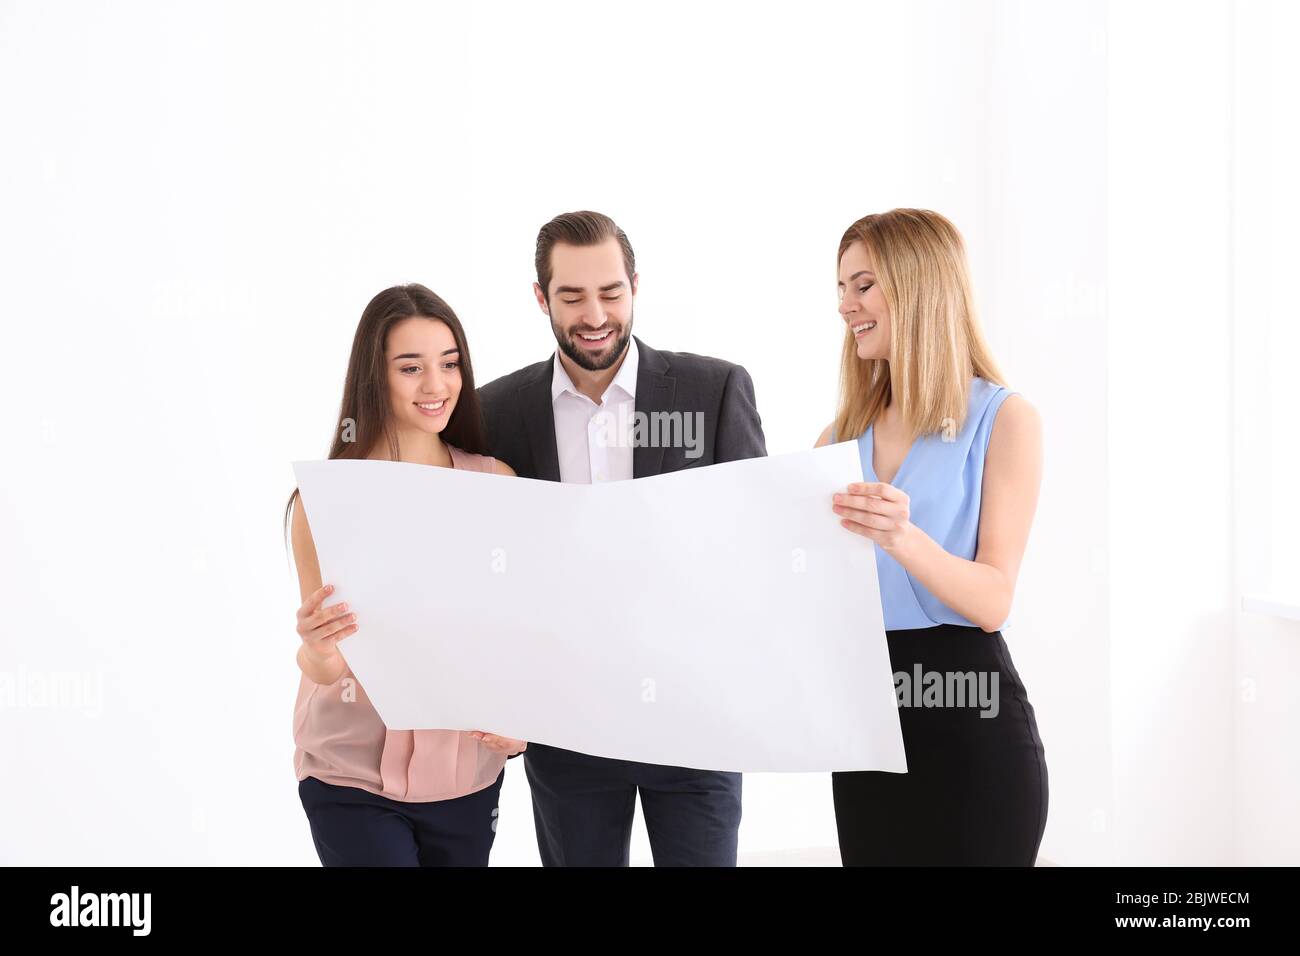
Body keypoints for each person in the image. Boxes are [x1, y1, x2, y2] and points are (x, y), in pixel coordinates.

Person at [478, 210, 767, 866]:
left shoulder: (713, 391)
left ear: (635, 285)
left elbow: (758, 549)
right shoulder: (497, 413)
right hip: (566, 726)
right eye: (572, 296)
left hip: (696, 723)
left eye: (611, 293)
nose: (594, 314)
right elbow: (487, 574)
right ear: (540, 298)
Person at [818, 209, 1049, 866]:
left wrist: (902, 536)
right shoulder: (836, 441)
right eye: (840, 289)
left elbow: (993, 599)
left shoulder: (1004, 420)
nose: (846, 306)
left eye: (862, 285)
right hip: (870, 730)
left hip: (971, 721)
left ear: (916, 285)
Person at [286, 283, 526, 866]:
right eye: (411, 367)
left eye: (449, 364)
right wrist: (315, 645)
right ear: (375, 377)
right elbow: (327, 663)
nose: (436, 385)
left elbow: (516, 638)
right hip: (349, 774)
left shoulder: (498, 486)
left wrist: (521, 724)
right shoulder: (323, 501)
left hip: (466, 777)